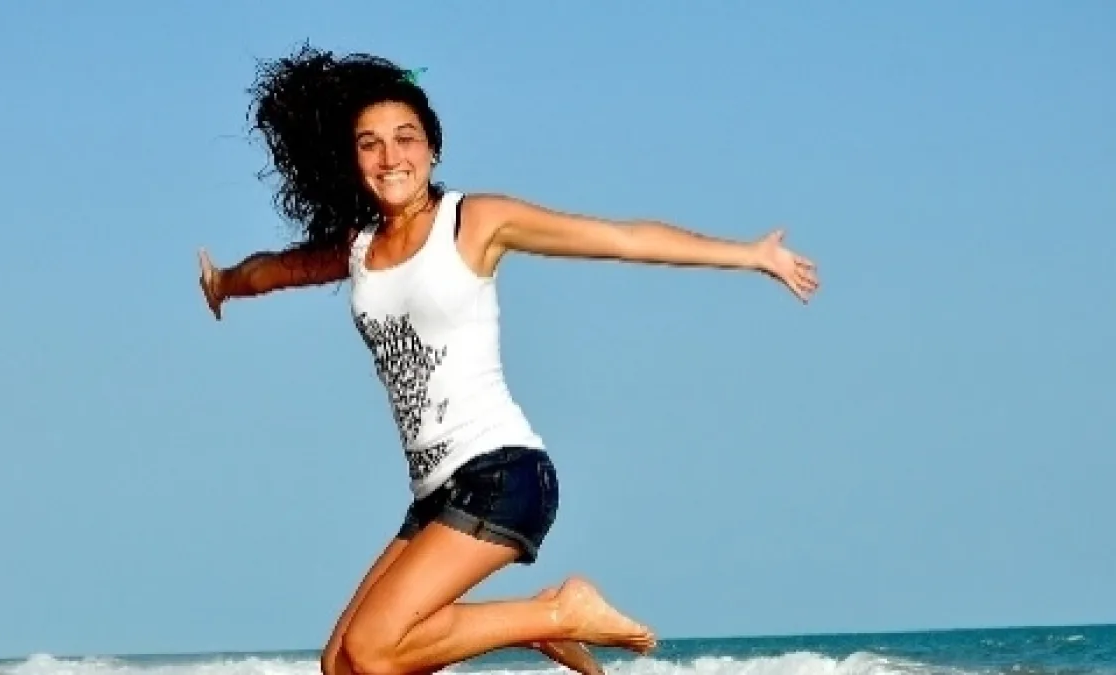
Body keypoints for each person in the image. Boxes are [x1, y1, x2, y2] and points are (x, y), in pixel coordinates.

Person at [197, 45, 820, 675]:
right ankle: (539, 622)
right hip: (435, 492)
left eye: (405, 138)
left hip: (501, 475)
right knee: (342, 665)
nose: (390, 157)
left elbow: (620, 238)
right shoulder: (359, 249)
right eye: (370, 143)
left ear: (432, 147)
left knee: (374, 649)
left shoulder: (473, 221)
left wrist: (749, 255)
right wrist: (224, 282)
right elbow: (274, 271)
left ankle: (556, 614)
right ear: (351, 159)